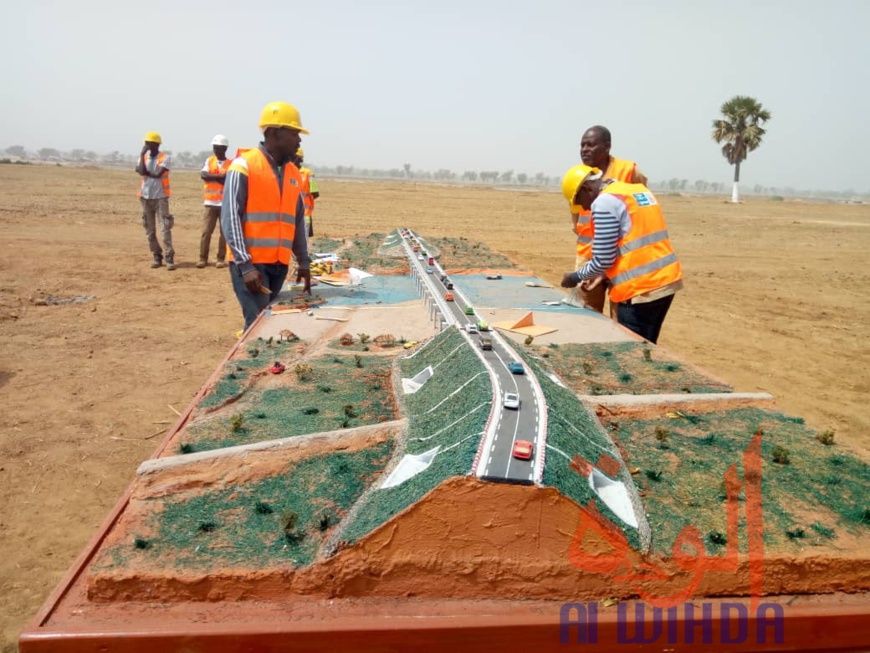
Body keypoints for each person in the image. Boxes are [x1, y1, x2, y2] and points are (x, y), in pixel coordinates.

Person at [560, 165, 682, 344]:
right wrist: (601, 274)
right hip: (665, 281)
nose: (584, 208)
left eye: (579, 201)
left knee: (632, 350)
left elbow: (603, 259)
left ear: (586, 188)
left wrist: (575, 276)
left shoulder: (603, 202)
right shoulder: (635, 191)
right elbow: (631, 239)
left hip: (640, 290)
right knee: (646, 344)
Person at [221, 101, 312, 329]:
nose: (299, 140)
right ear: (274, 133)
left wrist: (303, 261)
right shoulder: (244, 166)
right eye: (294, 133)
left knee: (268, 323)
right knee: (258, 327)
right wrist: (245, 266)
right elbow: (230, 218)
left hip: (278, 265)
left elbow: (297, 220)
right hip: (253, 266)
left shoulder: (292, 172)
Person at [571, 125, 648, 313]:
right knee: (587, 312)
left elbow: (642, 207)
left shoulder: (628, 171)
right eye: (582, 145)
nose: (584, 150)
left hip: (622, 257)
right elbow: (576, 220)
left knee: (619, 314)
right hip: (589, 257)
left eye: (590, 145)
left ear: (607, 147)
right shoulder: (577, 177)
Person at [135, 132, 175, 270]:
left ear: (157, 144)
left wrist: (147, 172)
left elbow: (159, 174)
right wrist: (141, 156)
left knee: (165, 228)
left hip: (160, 197)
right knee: (149, 230)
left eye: (149, 143)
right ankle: (156, 256)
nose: (147, 146)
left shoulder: (165, 157)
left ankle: (169, 257)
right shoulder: (143, 157)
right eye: (146, 143)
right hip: (145, 197)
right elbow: (140, 171)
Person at [198, 135, 231, 268]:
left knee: (224, 234)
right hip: (210, 203)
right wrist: (219, 177)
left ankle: (220, 259)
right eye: (214, 148)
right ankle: (202, 258)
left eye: (219, 148)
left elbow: (227, 179)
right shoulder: (209, 160)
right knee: (206, 232)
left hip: (225, 204)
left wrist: (213, 177)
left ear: (225, 148)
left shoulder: (231, 163)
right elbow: (203, 175)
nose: (216, 150)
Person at [295, 147, 319, 237]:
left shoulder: (308, 174)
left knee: (303, 244)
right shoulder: (286, 171)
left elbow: (315, 193)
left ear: (300, 158)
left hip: (305, 215)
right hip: (289, 216)